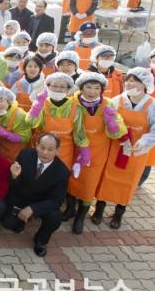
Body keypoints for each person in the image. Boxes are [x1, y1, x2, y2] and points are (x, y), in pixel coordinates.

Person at [93, 68, 155, 229]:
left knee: (129, 181)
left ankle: (119, 213)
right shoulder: (117, 100)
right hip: (115, 147)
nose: (130, 84)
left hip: (137, 151)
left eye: (135, 81)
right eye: (128, 80)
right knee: (107, 177)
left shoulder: (151, 104)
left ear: (145, 84)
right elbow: (107, 120)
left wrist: (145, 141)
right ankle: (99, 209)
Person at [65, 72, 126, 234]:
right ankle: (70, 209)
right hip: (74, 149)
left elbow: (118, 131)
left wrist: (112, 123)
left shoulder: (108, 104)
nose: (92, 91)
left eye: (96, 88)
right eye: (88, 87)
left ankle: (80, 217)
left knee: (89, 184)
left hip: (98, 152)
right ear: (81, 87)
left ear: (102, 90)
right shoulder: (72, 102)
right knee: (71, 180)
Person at [3, 133, 70, 257]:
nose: (45, 152)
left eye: (50, 149)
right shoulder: (25, 154)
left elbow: (56, 201)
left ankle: (41, 240)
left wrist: (33, 209)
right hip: (22, 197)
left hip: (41, 203)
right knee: (8, 224)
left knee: (55, 217)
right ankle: (22, 220)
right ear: (36, 145)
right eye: (42, 147)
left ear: (57, 150)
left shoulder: (62, 172)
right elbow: (13, 184)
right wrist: (14, 176)